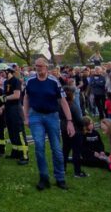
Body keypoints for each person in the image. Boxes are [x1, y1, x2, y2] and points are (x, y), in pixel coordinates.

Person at [23, 58, 74, 191]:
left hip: (52, 116)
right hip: (35, 116)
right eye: (36, 66)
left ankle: (60, 178)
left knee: (56, 148)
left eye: (41, 66)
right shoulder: (30, 81)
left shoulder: (54, 81)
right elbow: (26, 98)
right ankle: (44, 177)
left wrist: (69, 121)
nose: (38, 68)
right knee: (39, 146)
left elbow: (63, 101)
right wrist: (26, 116)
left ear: (46, 67)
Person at [0, 66, 29, 164]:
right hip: (8, 109)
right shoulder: (5, 82)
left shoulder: (16, 81)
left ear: (7, 71)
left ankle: (24, 155)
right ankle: (15, 152)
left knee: (19, 132)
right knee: (11, 131)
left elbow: (17, 95)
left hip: (16, 109)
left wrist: (4, 98)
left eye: (2, 72)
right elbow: (6, 95)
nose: (1, 75)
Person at [60, 87, 87, 178]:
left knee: (65, 150)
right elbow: (79, 119)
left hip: (64, 129)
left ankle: (62, 169)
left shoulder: (60, 104)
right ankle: (77, 172)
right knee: (76, 151)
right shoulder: (73, 105)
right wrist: (85, 123)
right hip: (76, 130)